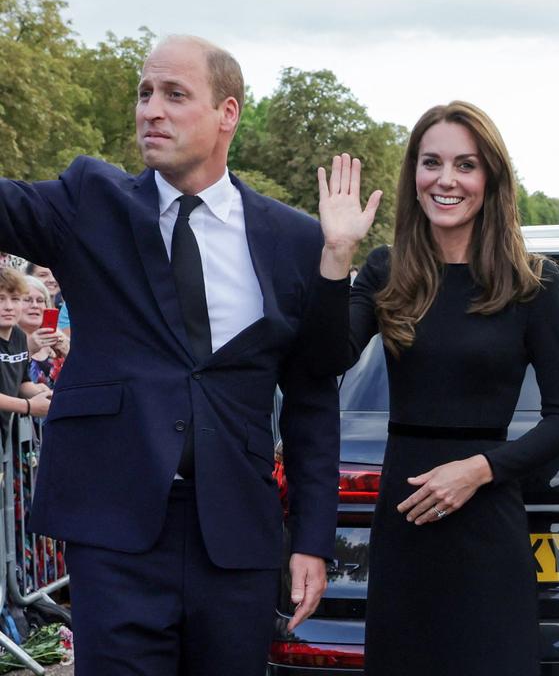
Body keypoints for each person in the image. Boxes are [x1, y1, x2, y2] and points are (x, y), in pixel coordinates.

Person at [0, 34, 340, 676]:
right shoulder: (89, 202)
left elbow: (312, 399)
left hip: (236, 536)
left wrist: (314, 541)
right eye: (145, 93)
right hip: (115, 531)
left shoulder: (294, 240)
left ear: (227, 114)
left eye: (175, 95)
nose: (151, 109)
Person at [311, 101, 559, 675]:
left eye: (465, 164)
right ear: (414, 174)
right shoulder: (389, 269)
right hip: (405, 518)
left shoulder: (534, 282)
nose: (446, 179)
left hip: (488, 519)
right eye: (431, 162)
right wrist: (338, 254)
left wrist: (479, 469)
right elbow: (323, 360)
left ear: (490, 178)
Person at [0, 268, 51, 421]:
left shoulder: (19, 336)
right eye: (0, 298)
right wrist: (28, 406)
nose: (9, 306)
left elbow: (21, 382)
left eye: (15, 299)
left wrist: (42, 394)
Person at [19, 274, 68, 388]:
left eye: (40, 300)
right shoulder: (6, 343)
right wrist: (28, 351)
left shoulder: (60, 340)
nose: (35, 305)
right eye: (27, 300)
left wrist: (69, 354)